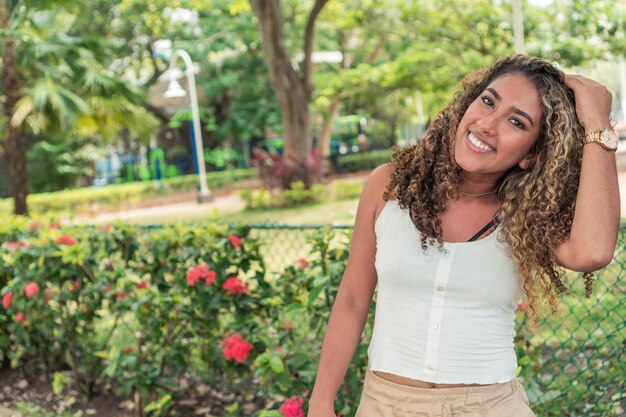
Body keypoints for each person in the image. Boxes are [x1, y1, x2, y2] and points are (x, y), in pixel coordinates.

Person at [307, 55, 619, 417]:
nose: (487, 125)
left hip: (492, 407)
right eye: (488, 101)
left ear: (531, 155)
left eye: (516, 122)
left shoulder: (529, 214)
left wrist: (597, 125)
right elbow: (351, 300)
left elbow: (593, 251)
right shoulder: (387, 186)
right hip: (384, 405)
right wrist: (320, 401)